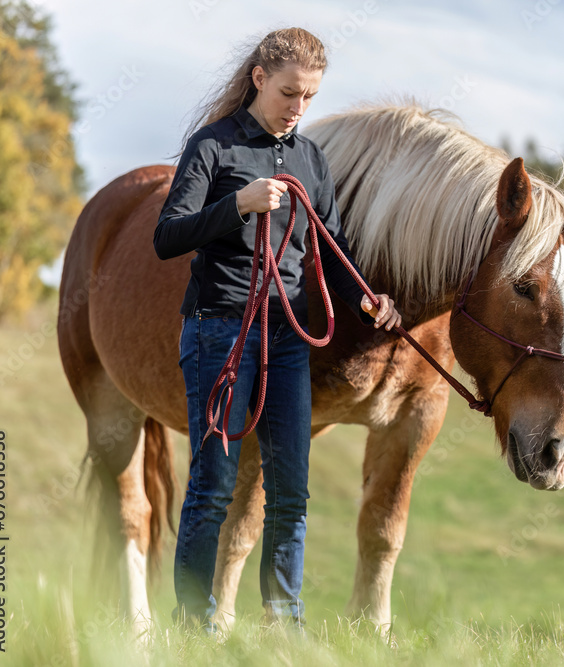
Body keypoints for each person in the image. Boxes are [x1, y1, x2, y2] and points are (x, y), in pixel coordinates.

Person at [153, 27, 401, 634]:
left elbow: (330, 249)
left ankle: (282, 623)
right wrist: (237, 204)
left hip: (285, 340)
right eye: (290, 92)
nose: (298, 107)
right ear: (260, 78)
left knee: (291, 491)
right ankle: (192, 624)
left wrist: (369, 299)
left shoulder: (311, 160)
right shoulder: (211, 147)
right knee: (212, 487)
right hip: (220, 333)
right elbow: (168, 236)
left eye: (310, 97)